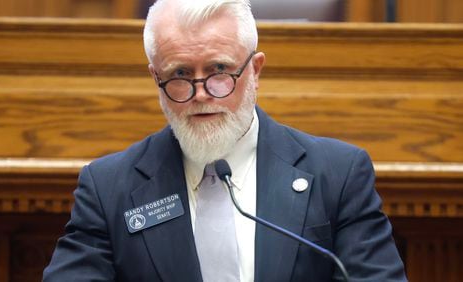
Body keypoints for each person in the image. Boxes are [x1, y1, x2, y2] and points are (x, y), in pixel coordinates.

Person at [43, 0, 407, 281]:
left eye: (219, 71)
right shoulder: (108, 188)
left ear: (255, 70)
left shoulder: (338, 175)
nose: (201, 94)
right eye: (181, 74)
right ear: (155, 76)